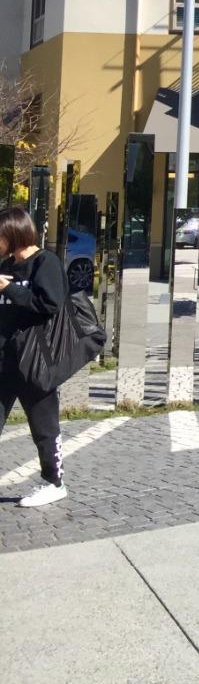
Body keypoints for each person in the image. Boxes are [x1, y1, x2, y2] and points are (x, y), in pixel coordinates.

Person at [0, 206, 69, 508]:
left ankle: (53, 482)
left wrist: (10, 288)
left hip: (34, 360)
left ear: (13, 234)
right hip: (3, 360)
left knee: (44, 426)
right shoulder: (5, 264)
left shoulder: (45, 262)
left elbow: (49, 303)